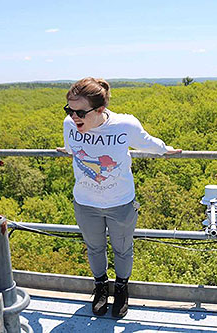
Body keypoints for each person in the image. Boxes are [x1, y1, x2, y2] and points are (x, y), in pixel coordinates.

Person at [57, 77, 181, 318]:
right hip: (85, 202)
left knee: (122, 249)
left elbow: (145, 142)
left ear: (100, 109)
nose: (74, 117)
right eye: (69, 110)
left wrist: (165, 150)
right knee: (94, 248)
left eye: (80, 111)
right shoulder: (69, 124)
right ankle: (101, 286)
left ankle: (122, 289)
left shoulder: (124, 125)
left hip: (120, 202)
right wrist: (68, 150)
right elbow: (71, 148)